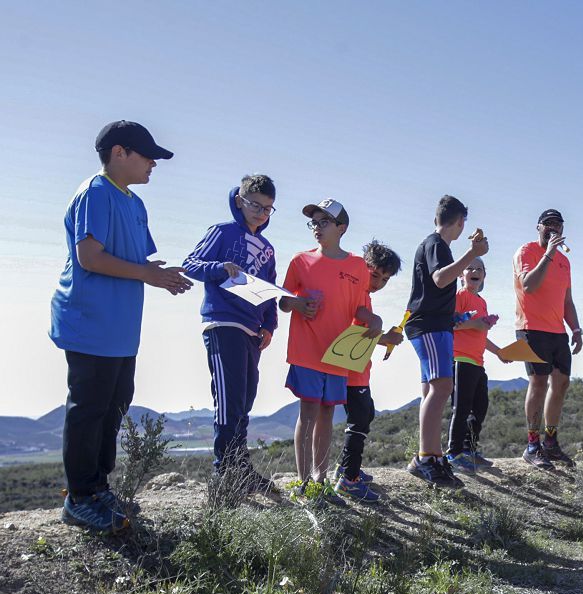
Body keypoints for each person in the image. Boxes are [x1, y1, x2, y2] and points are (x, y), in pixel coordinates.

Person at [50, 120, 192, 533]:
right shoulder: (96, 192)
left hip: (119, 328)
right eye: (147, 156)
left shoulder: (133, 202)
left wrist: (160, 274)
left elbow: (135, 262)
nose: (153, 163)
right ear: (119, 153)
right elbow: (90, 257)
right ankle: (79, 498)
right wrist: (148, 276)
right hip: (89, 321)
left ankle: (98, 488)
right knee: (89, 408)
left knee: (114, 405)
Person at [280, 198, 382, 506]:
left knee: (327, 414)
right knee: (308, 412)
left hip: (337, 355)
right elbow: (283, 300)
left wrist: (374, 320)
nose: (317, 228)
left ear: (342, 228)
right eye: (313, 222)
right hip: (306, 350)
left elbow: (360, 310)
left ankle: (321, 481)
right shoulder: (300, 261)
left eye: (323, 222)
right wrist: (296, 303)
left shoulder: (358, 267)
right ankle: (303, 483)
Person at [182, 174, 279, 493]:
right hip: (223, 325)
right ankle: (223, 474)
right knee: (228, 402)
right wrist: (219, 267)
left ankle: (241, 469)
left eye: (268, 208)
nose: (261, 212)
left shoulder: (267, 248)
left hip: (253, 332)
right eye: (255, 204)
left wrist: (269, 325)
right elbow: (192, 264)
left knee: (245, 400)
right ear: (240, 200)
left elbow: (269, 291)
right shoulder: (222, 232)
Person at [405, 195, 488, 487]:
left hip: (437, 324)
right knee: (441, 386)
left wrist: (458, 319)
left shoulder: (435, 245)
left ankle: (430, 456)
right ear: (460, 222)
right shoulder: (436, 244)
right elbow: (440, 279)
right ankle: (428, 458)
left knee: (432, 388)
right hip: (428, 326)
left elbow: (435, 289)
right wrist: (472, 253)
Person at [332, 240, 405, 502]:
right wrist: (384, 336)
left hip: (358, 369)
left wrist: (385, 337)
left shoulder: (363, 295)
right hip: (351, 371)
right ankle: (348, 479)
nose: (378, 283)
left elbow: (362, 334)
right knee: (360, 420)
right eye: (375, 275)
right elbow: (352, 331)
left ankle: (347, 469)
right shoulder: (356, 293)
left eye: (384, 279)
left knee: (365, 415)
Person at [513, 209, 582, 470]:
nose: (553, 229)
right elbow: (529, 285)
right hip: (531, 327)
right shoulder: (526, 252)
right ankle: (532, 444)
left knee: (561, 383)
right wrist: (549, 254)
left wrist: (576, 329)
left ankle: (550, 442)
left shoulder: (565, 262)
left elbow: (567, 300)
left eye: (558, 225)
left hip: (557, 331)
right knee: (538, 382)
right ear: (538, 227)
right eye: (548, 224)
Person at [445, 257, 509, 473]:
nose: (475, 271)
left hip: (477, 362)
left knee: (480, 407)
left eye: (479, 269)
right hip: (460, 359)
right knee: (461, 408)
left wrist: (499, 352)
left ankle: (469, 450)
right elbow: (450, 323)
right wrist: (477, 323)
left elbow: (479, 333)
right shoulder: (459, 296)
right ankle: (453, 453)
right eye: (470, 268)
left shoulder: (481, 302)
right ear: (461, 275)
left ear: (484, 275)